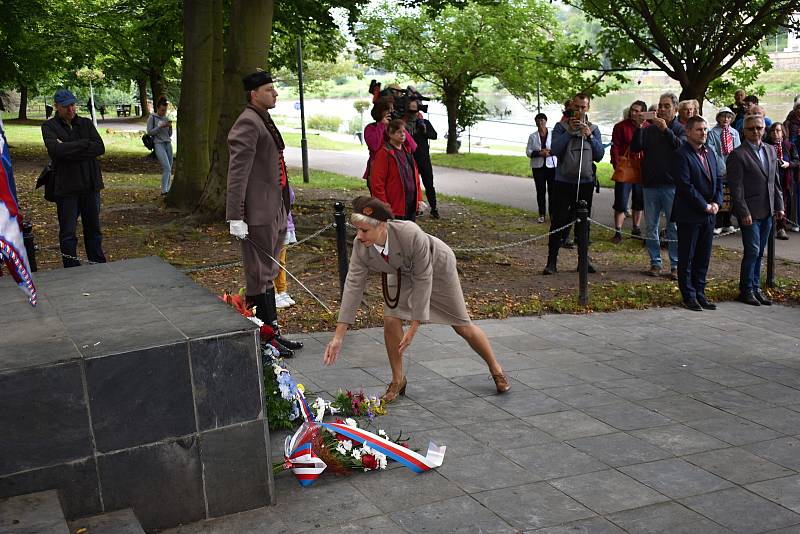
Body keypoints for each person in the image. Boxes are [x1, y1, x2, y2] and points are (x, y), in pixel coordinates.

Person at [323, 196, 510, 401]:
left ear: (383, 226)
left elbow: (423, 278)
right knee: (390, 319)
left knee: (462, 326)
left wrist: (413, 326)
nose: (358, 236)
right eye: (357, 229)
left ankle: (495, 368)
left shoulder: (410, 233)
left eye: (364, 230)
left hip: (437, 267)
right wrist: (338, 337)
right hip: (401, 271)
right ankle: (397, 380)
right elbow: (353, 286)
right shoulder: (362, 246)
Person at [226, 70, 302, 355]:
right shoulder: (247, 123)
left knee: (269, 272)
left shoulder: (262, 119)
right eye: (270, 89)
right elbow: (237, 173)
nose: (275, 93)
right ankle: (264, 337)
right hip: (257, 212)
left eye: (274, 88)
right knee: (259, 275)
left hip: (275, 207)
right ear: (254, 93)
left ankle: (273, 333)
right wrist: (235, 215)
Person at [41, 89, 107, 268]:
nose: (70, 109)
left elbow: (99, 148)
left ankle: (98, 264)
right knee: (68, 232)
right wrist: (85, 145)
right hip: (67, 187)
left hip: (90, 184)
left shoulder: (85, 123)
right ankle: (71, 269)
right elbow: (55, 151)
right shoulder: (49, 127)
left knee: (93, 229)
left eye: (72, 105)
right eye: (65, 106)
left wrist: (70, 147)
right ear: (57, 106)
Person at [543, 93, 605, 275]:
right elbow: (554, 149)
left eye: (583, 107)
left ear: (588, 108)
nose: (579, 111)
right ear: (571, 107)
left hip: (585, 182)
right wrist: (570, 132)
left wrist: (590, 137)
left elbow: (600, 155)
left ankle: (583, 261)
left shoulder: (594, 128)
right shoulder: (561, 127)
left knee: (583, 223)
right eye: (576, 107)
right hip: (563, 181)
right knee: (558, 221)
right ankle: (551, 262)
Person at [727, 115, 784, 306]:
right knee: (752, 251)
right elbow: (737, 188)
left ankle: (756, 288)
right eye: (751, 128)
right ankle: (746, 290)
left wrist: (780, 206)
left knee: (760, 252)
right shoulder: (738, 154)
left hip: (768, 210)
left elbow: (775, 181)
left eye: (759, 128)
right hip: (750, 212)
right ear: (744, 131)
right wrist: (743, 212)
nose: (756, 131)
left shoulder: (770, 150)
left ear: (763, 129)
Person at [671, 116, 722, 311]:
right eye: (699, 129)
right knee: (688, 256)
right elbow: (685, 185)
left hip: (710, 214)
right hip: (690, 213)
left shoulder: (710, 152)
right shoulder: (681, 154)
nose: (704, 133)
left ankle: (700, 292)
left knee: (703, 256)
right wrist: (704, 205)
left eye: (705, 129)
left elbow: (717, 178)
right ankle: (689, 295)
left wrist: (716, 202)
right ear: (688, 131)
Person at [631, 92, 685, 279]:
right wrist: (638, 127)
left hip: (672, 185)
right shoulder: (649, 129)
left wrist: (666, 130)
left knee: (674, 227)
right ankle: (655, 262)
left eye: (666, 106)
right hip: (650, 184)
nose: (662, 109)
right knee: (651, 226)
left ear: (675, 109)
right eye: (660, 106)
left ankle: (676, 265)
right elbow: (636, 148)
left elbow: (681, 149)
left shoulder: (680, 128)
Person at [610, 101, 647, 243]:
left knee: (639, 201)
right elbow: (615, 147)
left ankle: (636, 229)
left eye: (637, 111)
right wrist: (616, 163)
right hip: (625, 167)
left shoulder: (648, 127)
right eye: (632, 110)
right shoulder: (621, 126)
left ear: (643, 112)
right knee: (620, 201)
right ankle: (618, 231)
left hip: (641, 167)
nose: (634, 113)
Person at [370, 119, 423, 221]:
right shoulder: (384, 153)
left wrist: (419, 199)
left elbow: (415, 179)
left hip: (410, 205)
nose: (403, 134)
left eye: (404, 132)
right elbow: (377, 182)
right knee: (395, 235)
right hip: (394, 207)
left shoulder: (407, 152)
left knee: (408, 234)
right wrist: (384, 205)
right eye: (399, 132)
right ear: (390, 133)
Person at [363, 97, 416, 189]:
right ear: (380, 111)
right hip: (377, 170)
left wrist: (399, 127)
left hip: (398, 172)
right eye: (388, 109)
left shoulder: (396, 129)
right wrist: (382, 125)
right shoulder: (371, 128)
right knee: (380, 202)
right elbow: (374, 147)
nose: (390, 112)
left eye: (392, 109)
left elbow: (413, 146)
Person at [706, 107, 741, 234]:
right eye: (723, 116)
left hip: (732, 169)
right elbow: (711, 151)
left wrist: (733, 166)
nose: (726, 119)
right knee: (720, 194)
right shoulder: (712, 132)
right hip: (719, 169)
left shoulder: (735, 133)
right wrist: (722, 166)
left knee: (731, 196)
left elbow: (738, 151)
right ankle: (718, 222)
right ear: (718, 118)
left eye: (728, 117)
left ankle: (728, 221)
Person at [404, 99, 439, 218]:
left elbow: (434, 135)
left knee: (429, 184)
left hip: (424, 158)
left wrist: (423, 130)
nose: (414, 113)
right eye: (411, 109)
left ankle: (434, 208)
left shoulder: (424, 122)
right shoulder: (403, 124)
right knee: (412, 185)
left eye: (416, 109)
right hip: (410, 158)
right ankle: (414, 208)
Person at [767, 122, 799, 240]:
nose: (775, 133)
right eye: (773, 131)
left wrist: (788, 164)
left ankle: (781, 228)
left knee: (783, 204)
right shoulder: (766, 145)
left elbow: (796, 161)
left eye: (778, 131)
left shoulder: (789, 145)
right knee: (769, 203)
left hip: (784, 180)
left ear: (783, 132)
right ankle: (769, 228)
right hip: (769, 180)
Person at [526, 113, 556, 223]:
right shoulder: (532, 136)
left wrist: (549, 152)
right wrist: (539, 153)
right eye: (538, 121)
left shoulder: (553, 134)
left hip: (551, 166)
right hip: (538, 167)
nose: (540, 123)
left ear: (546, 121)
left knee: (552, 191)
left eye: (542, 120)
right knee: (540, 191)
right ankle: (541, 214)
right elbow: (528, 152)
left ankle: (552, 214)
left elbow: (558, 148)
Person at [275, 186, 297, 308]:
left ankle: (282, 290)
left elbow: (291, 198)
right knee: (272, 262)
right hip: (273, 228)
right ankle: (272, 291)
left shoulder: (284, 184)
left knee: (281, 262)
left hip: (285, 227)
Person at [146, 97, 173, 194]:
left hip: (168, 143)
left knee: (170, 167)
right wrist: (159, 127)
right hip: (158, 144)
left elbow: (169, 134)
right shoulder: (152, 117)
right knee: (166, 167)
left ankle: (168, 189)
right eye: (162, 110)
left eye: (165, 110)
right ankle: (164, 190)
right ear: (157, 108)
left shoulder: (166, 118)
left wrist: (170, 127)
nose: (164, 112)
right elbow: (149, 132)